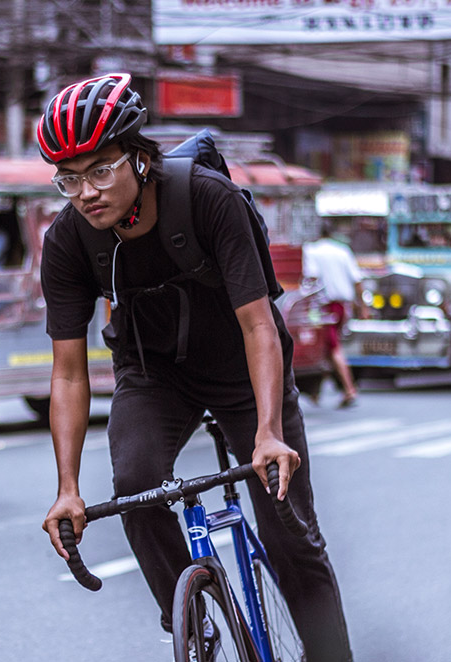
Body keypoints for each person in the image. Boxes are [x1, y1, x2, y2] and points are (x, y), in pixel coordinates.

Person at [34, 73, 353, 662]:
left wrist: (267, 434)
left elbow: (260, 326)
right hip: (154, 375)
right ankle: (190, 624)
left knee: (291, 536)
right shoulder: (68, 241)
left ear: (140, 159)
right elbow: (68, 373)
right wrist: (68, 489)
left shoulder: (209, 199)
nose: (86, 191)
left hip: (243, 367)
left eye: (101, 169)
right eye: (69, 178)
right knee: (134, 484)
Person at [303, 234, 365, 408]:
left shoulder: (312, 251)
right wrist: (363, 306)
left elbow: (311, 277)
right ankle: (317, 391)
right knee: (326, 347)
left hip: (325, 307)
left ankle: (349, 388)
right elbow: (357, 280)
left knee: (332, 347)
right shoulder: (342, 251)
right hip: (341, 306)